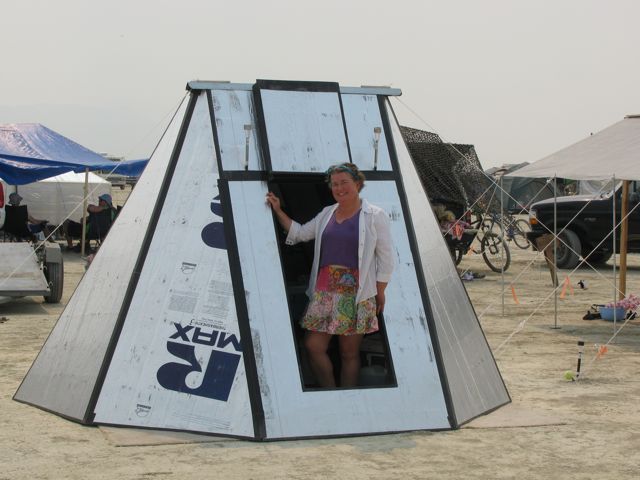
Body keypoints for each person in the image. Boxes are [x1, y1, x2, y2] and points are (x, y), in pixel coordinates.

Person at [265, 162, 394, 388]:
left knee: (348, 353)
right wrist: (277, 210)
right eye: (334, 184)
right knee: (313, 345)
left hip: (355, 292)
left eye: (344, 182)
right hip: (325, 291)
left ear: (358, 184)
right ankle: (330, 391)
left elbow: (386, 258)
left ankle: (348, 398)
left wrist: (380, 292)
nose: (339, 188)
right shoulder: (327, 213)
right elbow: (300, 233)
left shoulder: (375, 215)